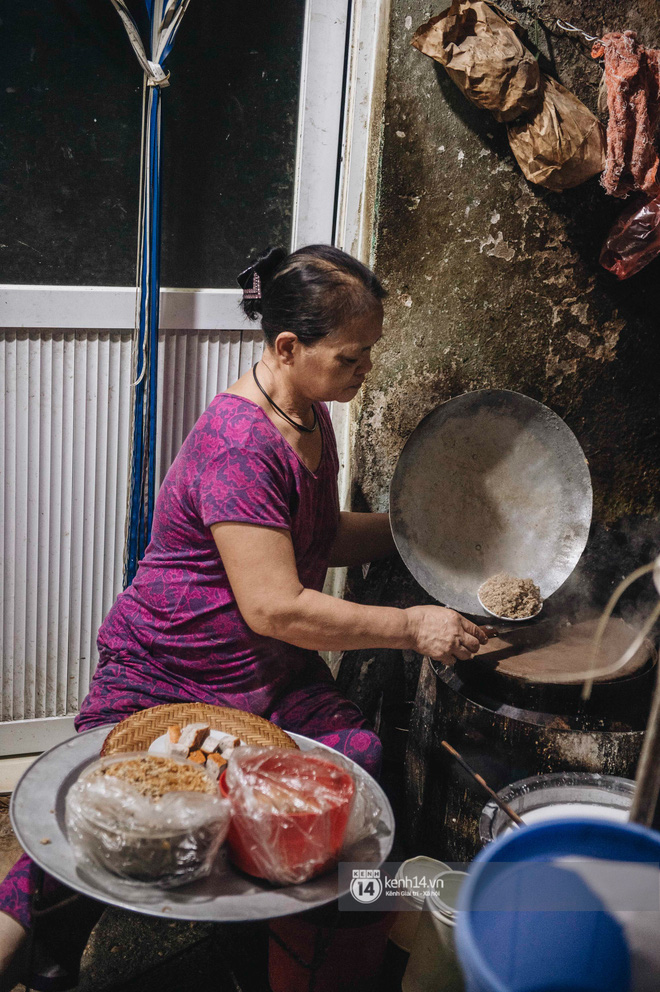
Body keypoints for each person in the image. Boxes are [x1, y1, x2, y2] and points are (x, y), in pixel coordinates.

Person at [0, 244, 487, 984]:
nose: (365, 372)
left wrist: (409, 529)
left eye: (368, 355)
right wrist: (417, 625)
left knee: (355, 759)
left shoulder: (310, 410)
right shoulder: (239, 444)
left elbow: (314, 534)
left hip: (266, 672)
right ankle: (31, 951)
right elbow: (276, 606)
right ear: (288, 347)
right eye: (352, 358)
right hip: (169, 670)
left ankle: (285, 941)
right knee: (89, 830)